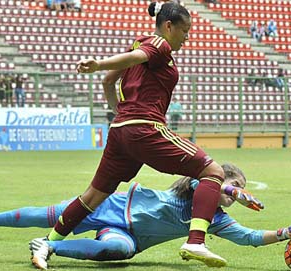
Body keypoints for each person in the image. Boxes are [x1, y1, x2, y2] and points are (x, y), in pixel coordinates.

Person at [33, 1, 233, 268]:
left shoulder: (138, 44)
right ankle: (195, 241)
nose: (187, 38)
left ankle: (47, 242)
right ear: (169, 26)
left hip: (120, 131)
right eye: (185, 31)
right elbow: (127, 63)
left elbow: (109, 81)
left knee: (92, 196)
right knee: (213, 172)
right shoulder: (159, 45)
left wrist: (119, 112)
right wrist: (98, 64)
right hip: (145, 127)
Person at [0, 164, 291, 269]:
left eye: (235, 186)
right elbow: (203, 182)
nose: (233, 191)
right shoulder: (194, 186)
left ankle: (49, 249)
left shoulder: (215, 220)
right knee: (45, 214)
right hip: (112, 206)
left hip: (128, 236)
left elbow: (249, 238)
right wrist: (231, 187)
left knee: (118, 253)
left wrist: (286, 231)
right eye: (232, 183)